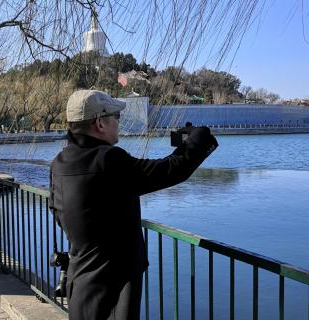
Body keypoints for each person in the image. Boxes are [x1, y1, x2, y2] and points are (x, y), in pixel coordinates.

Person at [49, 89, 218, 320]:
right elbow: (169, 171)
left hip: (80, 278)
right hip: (115, 284)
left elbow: (58, 213)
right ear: (99, 122)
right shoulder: (109, 160)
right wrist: (199, 137)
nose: (118, 123)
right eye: (116, 118)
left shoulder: (59, 163)